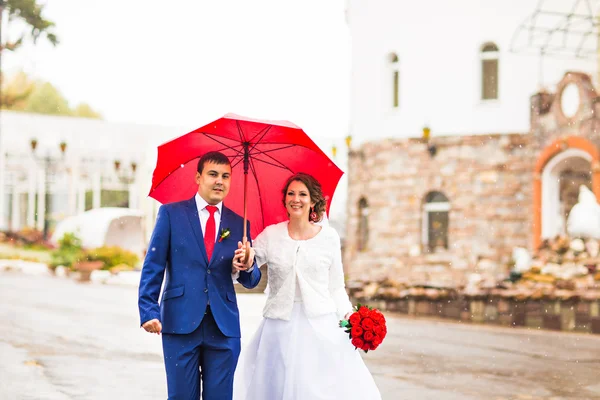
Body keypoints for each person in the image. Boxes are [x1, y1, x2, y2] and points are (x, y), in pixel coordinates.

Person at [233, 173, 381, 400]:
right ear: (284, 200)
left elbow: (336, 287)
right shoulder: (271, 235)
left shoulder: (329, 237)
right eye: (291, 193)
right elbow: (247, 268)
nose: (296, 199)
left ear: (313, 201)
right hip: (277, 328)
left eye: (303, 194)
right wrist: (245, 260)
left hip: (320, 328)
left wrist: (352, 318)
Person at [138, 151, 262, 400]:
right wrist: (149, 310)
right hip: (179, 321)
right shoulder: (171, 214)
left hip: (223, 327)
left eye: (226, 176)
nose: (220, 181)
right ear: (198, 177)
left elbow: (251, 281)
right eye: (213, 174)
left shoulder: (240, 223)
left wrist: (248, 265)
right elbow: (154, 265)